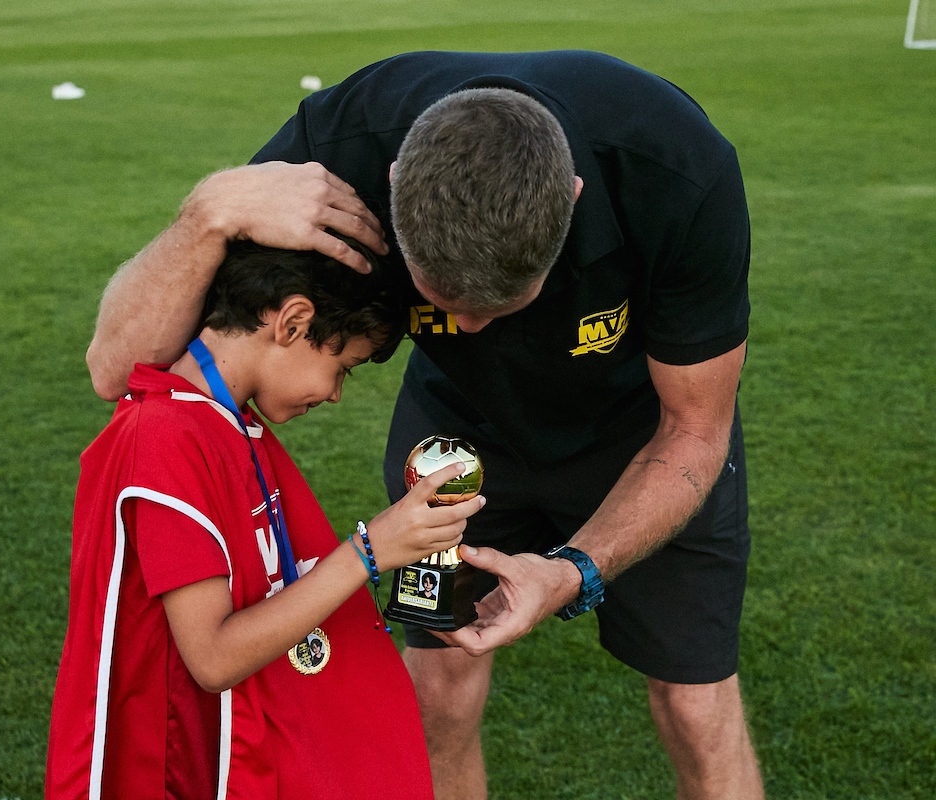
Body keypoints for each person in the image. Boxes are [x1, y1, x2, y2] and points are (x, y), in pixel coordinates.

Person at [85, 50, 761, 800]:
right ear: (395, 183)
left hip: (642, 437)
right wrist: (208, 213)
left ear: (570, 200)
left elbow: (696, 430)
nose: (467, 327)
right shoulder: (341, 149)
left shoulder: (677, 170)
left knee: (695, 702)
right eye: (445, 300)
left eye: (499, 306)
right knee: (437, 690)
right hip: (458, 433)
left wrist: (575, 570)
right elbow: (117, 371)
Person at [47, 239, 484, 799]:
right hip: (177, 769)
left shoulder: (225, 425)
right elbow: (212, 657)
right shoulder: (165, 438)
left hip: (224, 749)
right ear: (293, 322)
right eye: (342, 367)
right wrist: (368, 551)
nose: (335, 395)